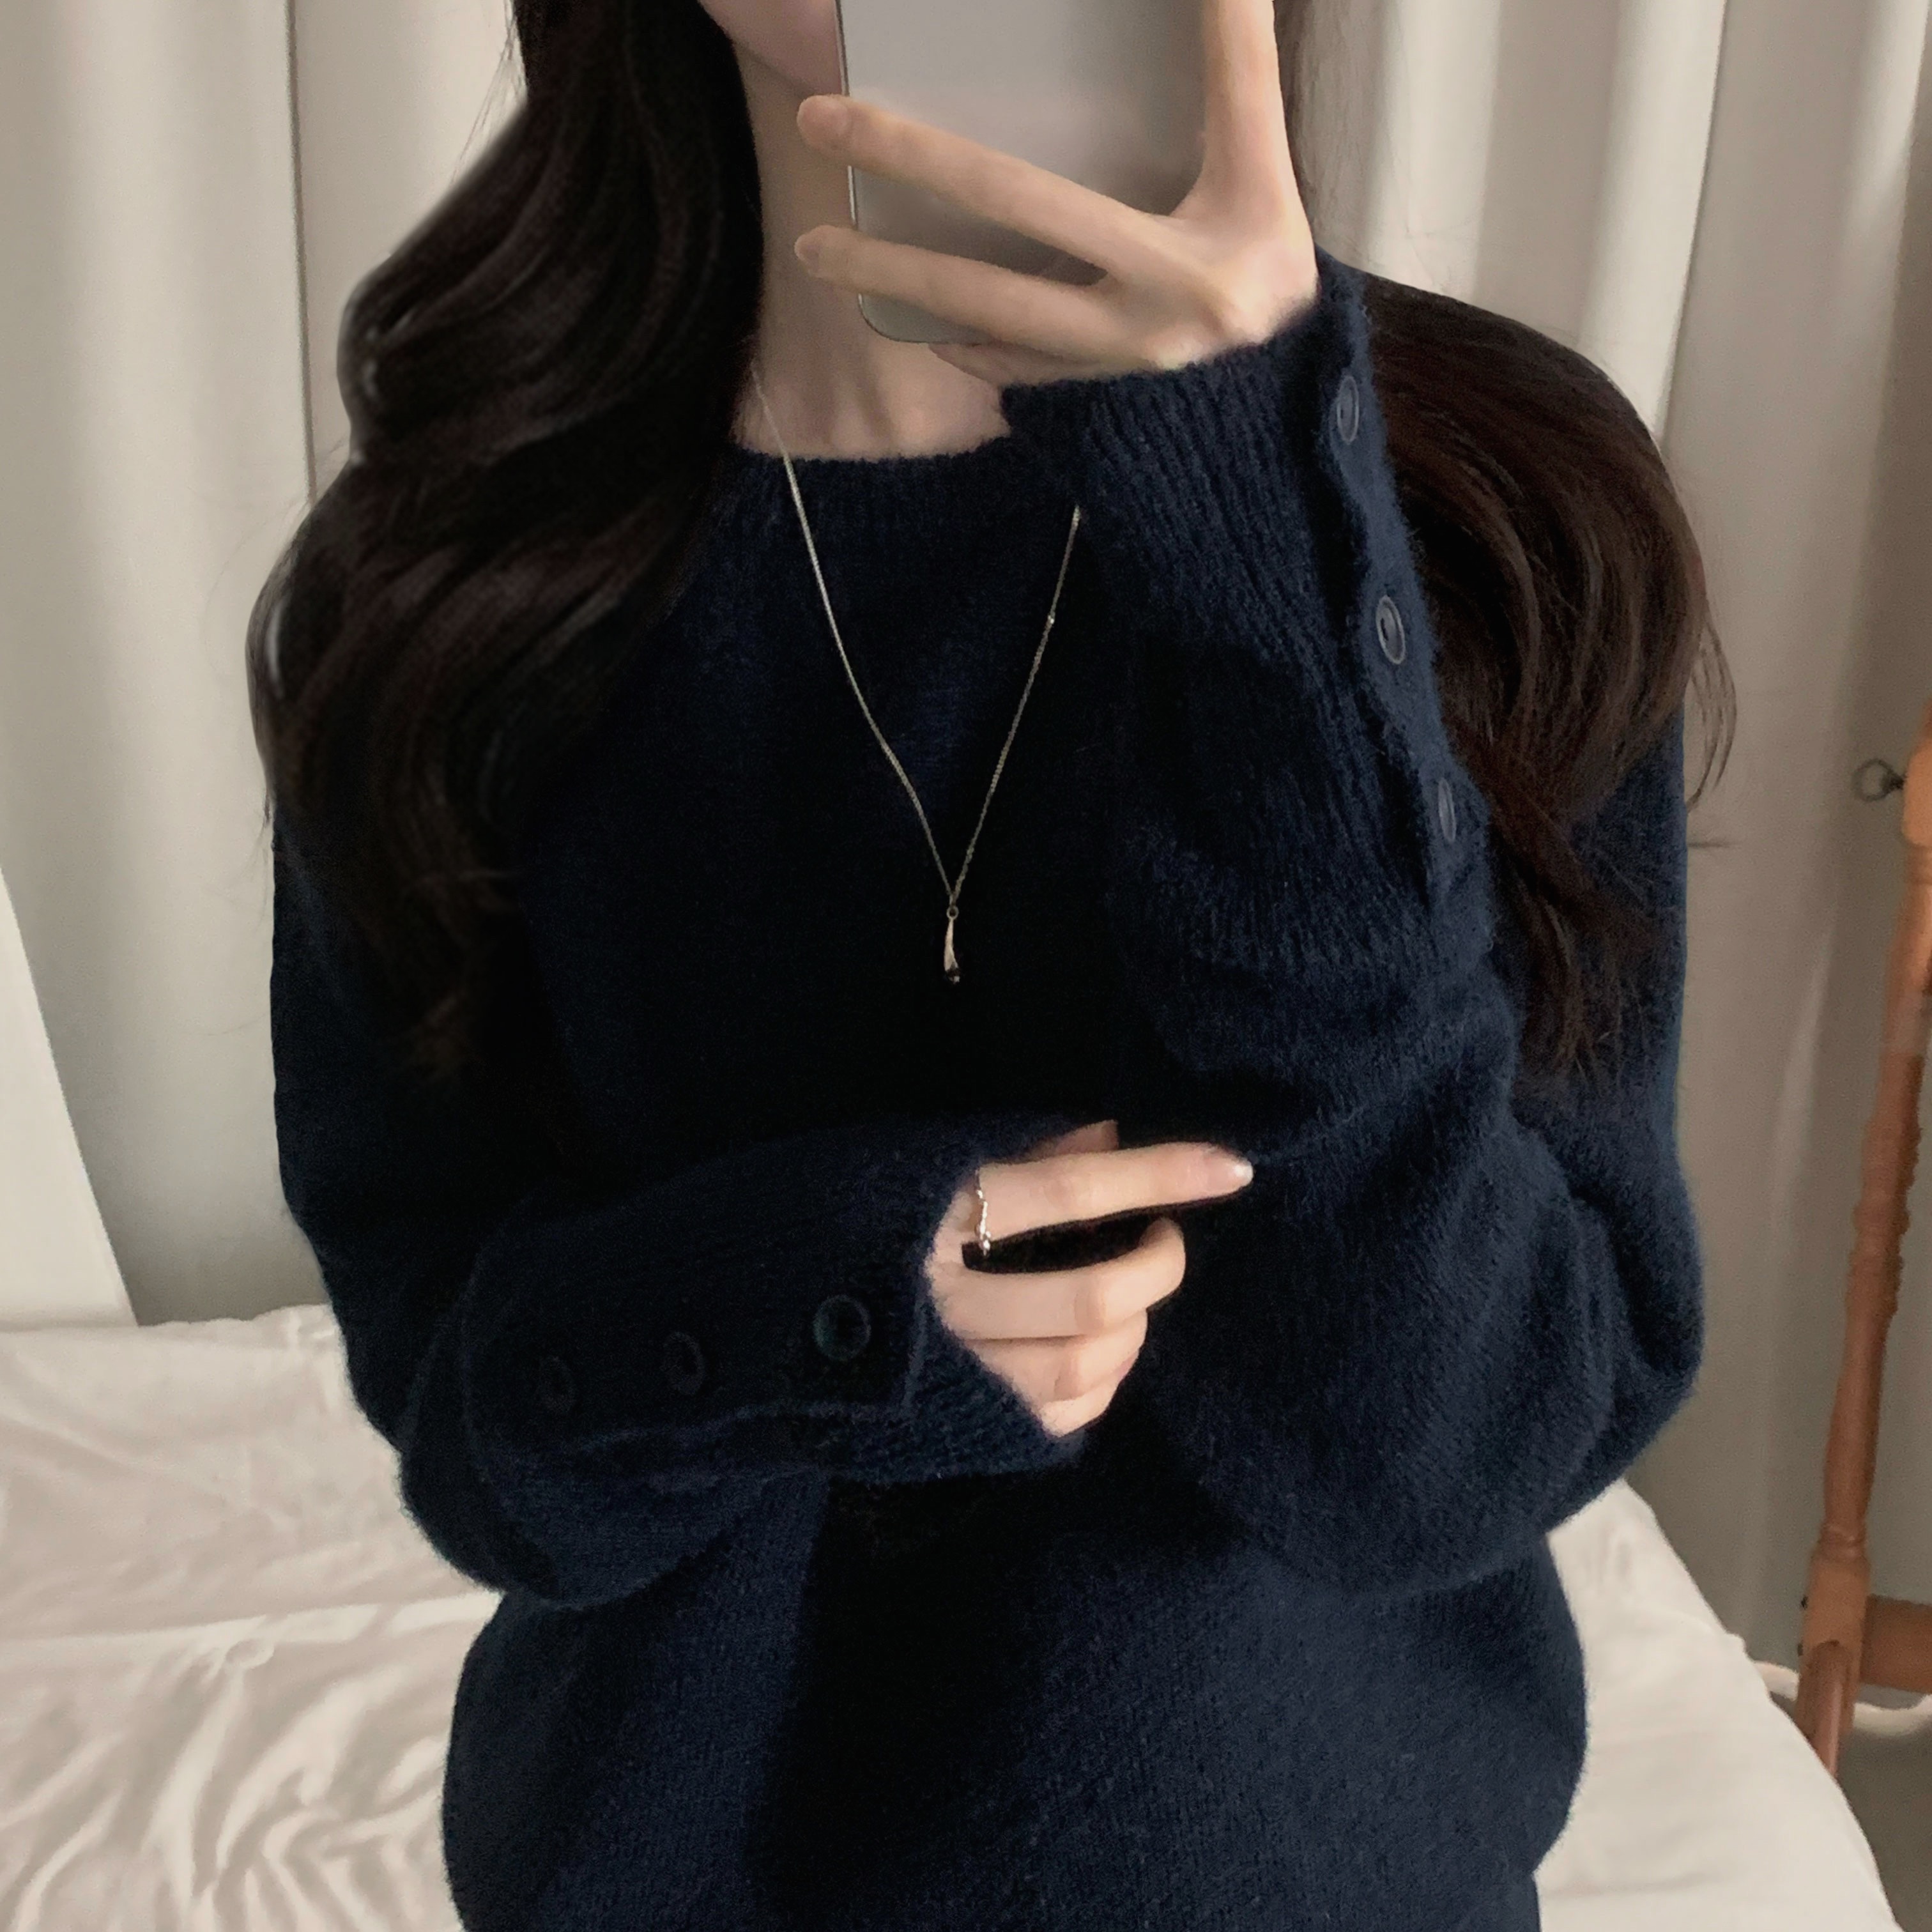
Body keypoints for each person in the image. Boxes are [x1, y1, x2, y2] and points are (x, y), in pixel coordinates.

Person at [251, 0, 1735, 1926]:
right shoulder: (444, 591)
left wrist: (1269, 564)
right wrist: (823, 1303)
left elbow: (1439, 1458)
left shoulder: (1504, 514)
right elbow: (471, 1426)